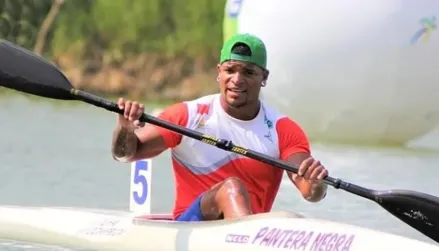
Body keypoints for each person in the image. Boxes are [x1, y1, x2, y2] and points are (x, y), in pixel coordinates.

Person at [111, 33, 329, 221]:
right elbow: (126, 154)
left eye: (248, 72)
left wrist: (317, 184)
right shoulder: (187, 116)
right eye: (230, 70)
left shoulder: (284, 129)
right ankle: (246, 245)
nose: (237, 80)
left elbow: (310, 191)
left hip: (250, 231)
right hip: (191, 225)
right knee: (231, 188)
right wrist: (125, 128)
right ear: (219, 71)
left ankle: (246, 243)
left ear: (264, 77)